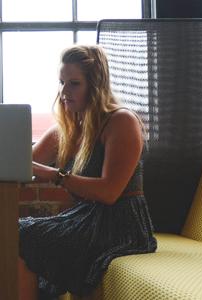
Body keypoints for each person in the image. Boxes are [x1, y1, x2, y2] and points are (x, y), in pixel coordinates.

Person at [18, 45, 157, 299]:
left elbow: (109, 192)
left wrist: (54, 175)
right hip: (87, 218)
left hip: (122, 224)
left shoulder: (121, 121)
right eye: (61, 82)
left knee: (23, 235)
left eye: (73, 83)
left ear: (95, 86)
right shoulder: (70, 126)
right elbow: (21, 164)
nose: (63, 92)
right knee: (14, 233)